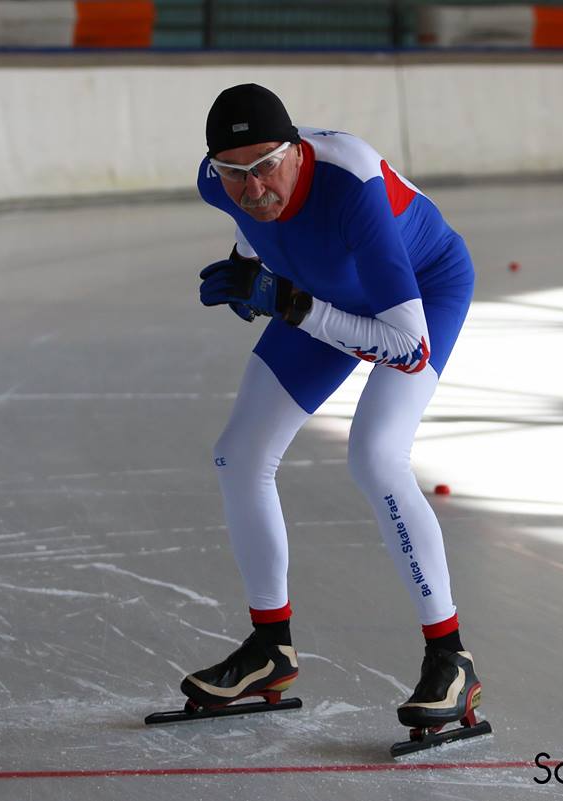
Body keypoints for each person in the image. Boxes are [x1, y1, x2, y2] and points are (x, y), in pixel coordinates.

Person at [182, 83, 481, 734]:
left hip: (420, 295)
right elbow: (256, 227)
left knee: (376, 457)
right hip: (322, 294)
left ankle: (450, 657)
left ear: (296, 151)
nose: (252, 186)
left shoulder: (352, 184)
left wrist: (290, 306)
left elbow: (406, 346)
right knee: (240, 454)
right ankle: (270, 648)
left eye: (265, 166)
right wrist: (247, 273)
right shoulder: (219, 183)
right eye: (233, 172)